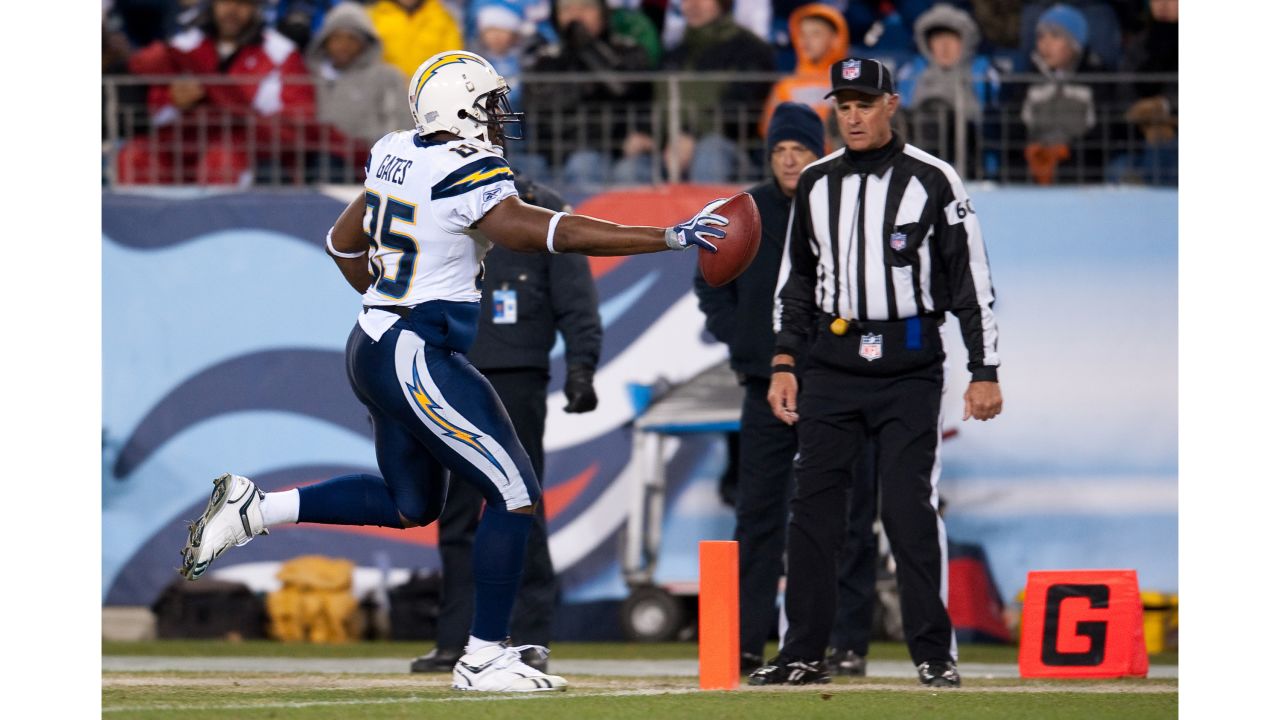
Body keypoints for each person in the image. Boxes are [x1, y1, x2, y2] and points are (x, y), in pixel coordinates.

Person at [177, 49, 730, 693]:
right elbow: (551, 233)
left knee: (411, 502)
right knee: (514, 491)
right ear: (463, 108)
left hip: (375, 339)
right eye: (491, 104)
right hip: (416, 349)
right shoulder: (463, 169)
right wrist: (666, 237)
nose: (500, 117)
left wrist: (384, 296)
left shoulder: (394, 150)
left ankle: (258, 508)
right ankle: (484, 656)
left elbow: (340, 242)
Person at [748, 56, 1003, 688]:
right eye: (844, 104)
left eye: (865, 103)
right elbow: (796, 283)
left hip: (909, 366)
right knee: (812, 510)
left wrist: (984, 369)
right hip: (832, 363)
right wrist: (784, 361)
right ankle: (803, 652)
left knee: (908, 508)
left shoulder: (935, 180)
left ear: (892, 105)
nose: (853, 115)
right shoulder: (815, 182)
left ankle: (933, 654)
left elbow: (972, 283)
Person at [409, 172, 602, 675]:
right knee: (456, 511)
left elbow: (576, 299)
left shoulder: (542, 207)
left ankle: (529, 636)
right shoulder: (442, 202)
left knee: (518, 502)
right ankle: (457, 640)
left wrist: (582, 367)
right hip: (450, 370)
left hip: (516, 380)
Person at [694, 102, 824, 674]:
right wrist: (743, 340)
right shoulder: (741, 213)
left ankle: (839, 642)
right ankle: (746, 640)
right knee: (757, 516)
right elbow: (710, 284)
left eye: (800, 150)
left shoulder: (838, 204)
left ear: (820, 155)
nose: (790, 159)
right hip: (760, 384)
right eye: (781, 151)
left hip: (830, 387)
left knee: (834, 517)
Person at [117, 0, 315, 184]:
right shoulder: (183, 46)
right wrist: (173, 99)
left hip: (247, 148)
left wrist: (240, 110)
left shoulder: (282, 52)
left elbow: (298, 115)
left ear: (256, 8)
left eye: (242, 3)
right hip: (182, 141)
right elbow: (156, 107)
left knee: (221, 161)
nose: (232, 10)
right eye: (225, 1)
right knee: (134, 156)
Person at [615, 0, 775, 183]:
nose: (693, 5)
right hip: (669, 153)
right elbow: (651, 106)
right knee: (629, 170)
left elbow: (741, 111)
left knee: (710, 154)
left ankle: (708, 212)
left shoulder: (751, 50)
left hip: (731, 153)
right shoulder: (674, 55)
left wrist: (692, 136)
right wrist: (646, 135)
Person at [525, 0, 653, 191]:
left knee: (591, 165)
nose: (576, 15)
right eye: (567, 9)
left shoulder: (628, 51)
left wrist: (587, 46)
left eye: (585, 7)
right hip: (559, 153)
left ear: (603, 13)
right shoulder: (544, 59)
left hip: (620, 152)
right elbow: (538, 107)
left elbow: (623, 88)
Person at [305, 2, 410, 178]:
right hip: (312, 160)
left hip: (367, 163)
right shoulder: (308, 75)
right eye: (336, 38)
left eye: (352, 38)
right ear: (324, 41)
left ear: (365, 42)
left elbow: (402, 124)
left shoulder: (386, 76)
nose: (343, 45)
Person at [895, 3, 1000, 176]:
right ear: (927, 43)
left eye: (951, 38)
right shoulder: (911, 71)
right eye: (937, 38)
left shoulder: (982, 71)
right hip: (918, 145)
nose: (944, 46)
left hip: (968, 151)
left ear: (965, 40)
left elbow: (992, 121)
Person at [1016, 3, 1114, 183]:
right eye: (1041, 36)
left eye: (1055, 36)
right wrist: (1034, 151)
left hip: (1080, 166)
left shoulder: (1096, 79)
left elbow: (1104, 131)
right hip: (1033, 164)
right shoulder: (1027, 80)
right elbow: (1015, 127)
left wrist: (1066, 151)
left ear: (1074, 43)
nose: (1046, 44)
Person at [758, 3, 849, 138]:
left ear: (835, 39)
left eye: (815, 34)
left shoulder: (849, 81)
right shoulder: (785, 86)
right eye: (802, 34)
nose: (806, 41)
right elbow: (768, 130)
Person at [367, 0, 464, 80]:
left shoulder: (443, 18)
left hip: (430, 92)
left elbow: (453, 62)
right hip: (386, 94)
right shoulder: (373, 17)